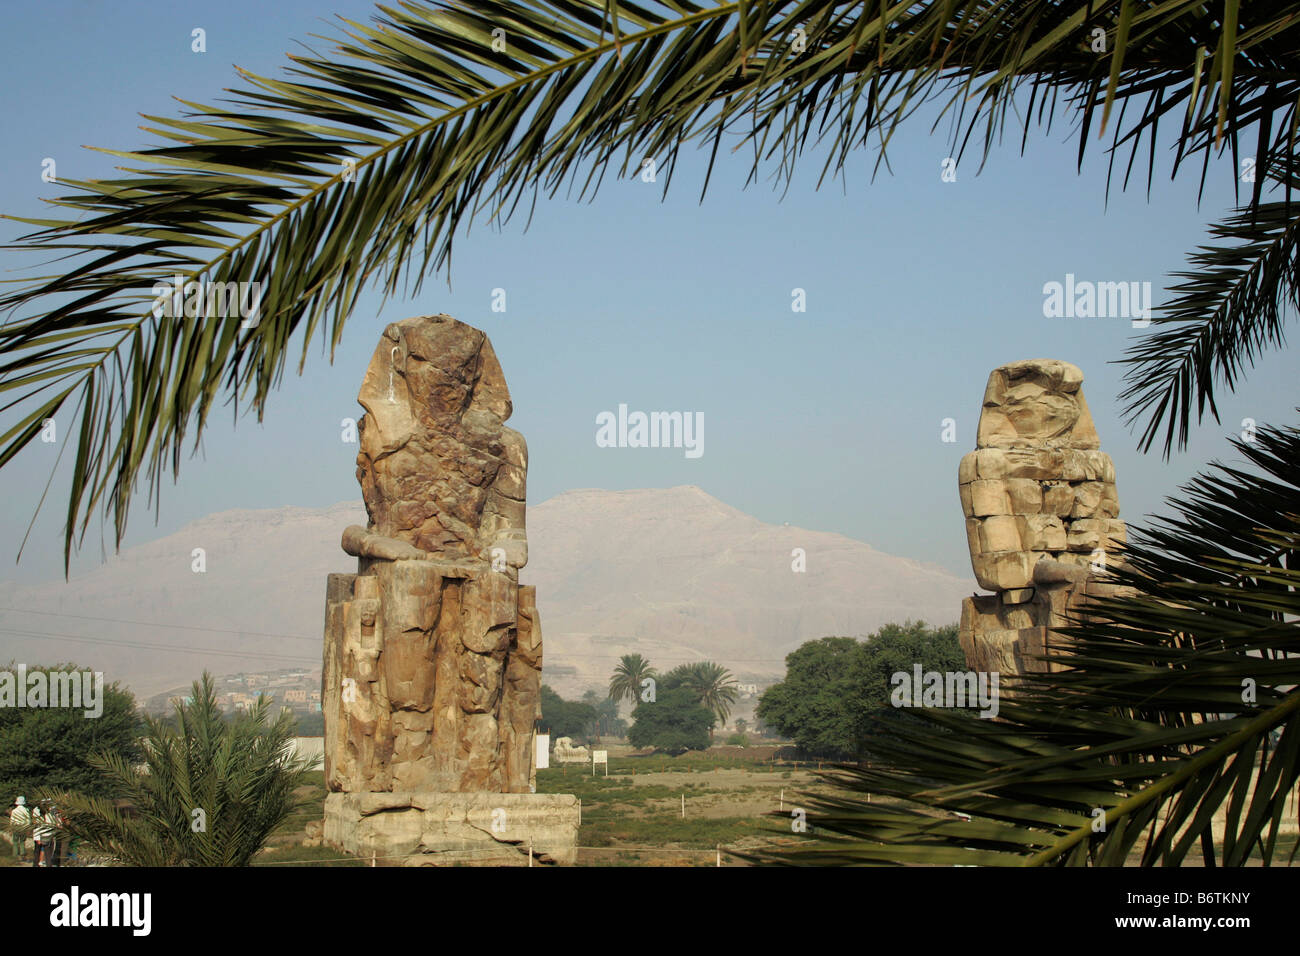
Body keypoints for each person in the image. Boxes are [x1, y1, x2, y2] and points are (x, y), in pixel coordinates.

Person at [8, 797, 31, 863]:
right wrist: (27, 828)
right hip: (23, 827)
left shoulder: (14, 811)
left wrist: (11, 828)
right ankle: (22, 855)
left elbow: (12, 821)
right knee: (22, 841)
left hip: (16, 827)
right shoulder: (26, 810)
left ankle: (15, 855)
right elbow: (28, 821)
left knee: (15, 842)